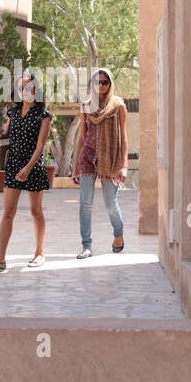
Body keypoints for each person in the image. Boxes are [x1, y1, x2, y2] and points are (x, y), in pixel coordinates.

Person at [0, 72, 52, 270]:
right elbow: (6, 138)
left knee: (35, 211)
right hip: (14, 166)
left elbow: (40, 146)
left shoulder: (44, 116)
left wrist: (28, 168)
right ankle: (1, 258)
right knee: (8, 212)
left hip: (33, 167)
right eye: (21, 88)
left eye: (28, 87)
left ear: (35, 91)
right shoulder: (12, 113)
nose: (24, 91)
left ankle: (39, 253)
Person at [71, 66, 128, 257]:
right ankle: (86, 245)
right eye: (97, 82)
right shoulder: (86, 106)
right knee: (85, 203)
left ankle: (118, 234)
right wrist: (75, 166)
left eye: (105, 82)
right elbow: (82, 137)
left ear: (110, 84)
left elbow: (124, 138)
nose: (101, 85)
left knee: (110, 203)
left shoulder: (118, 105)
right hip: (87, 156)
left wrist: (124, 166)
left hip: (109, 159)